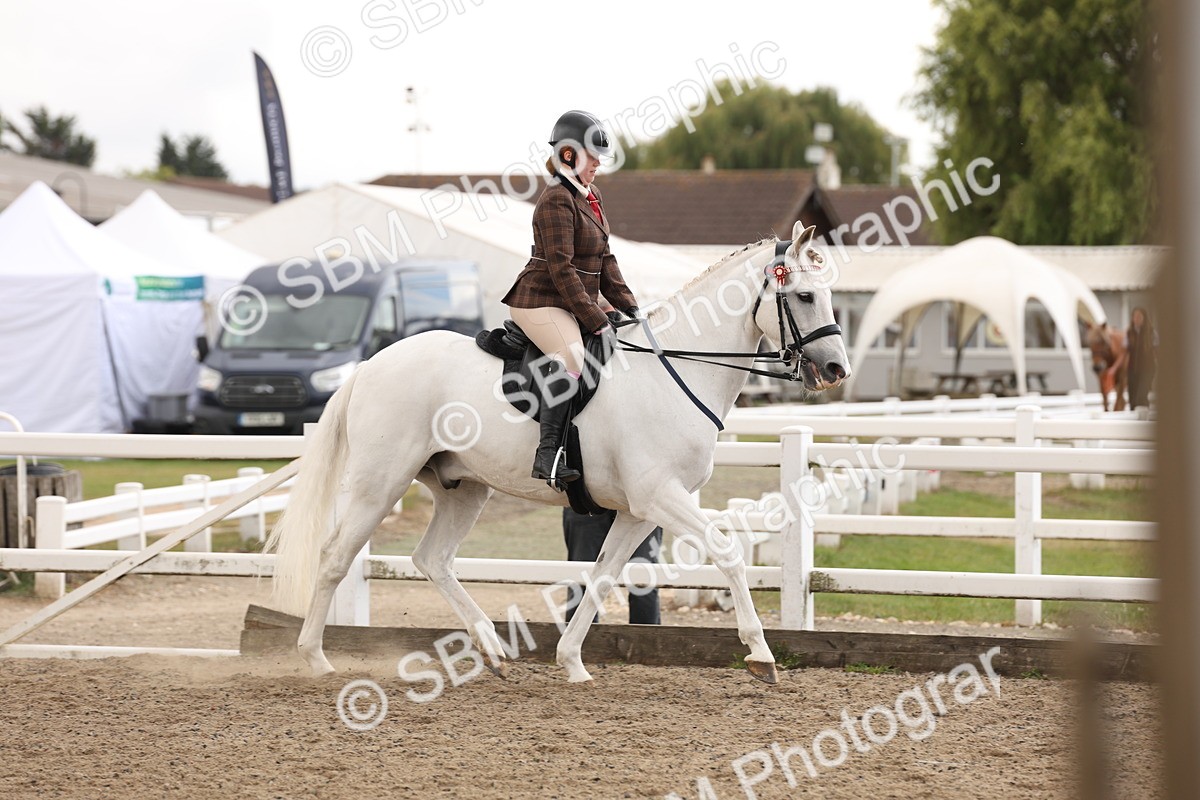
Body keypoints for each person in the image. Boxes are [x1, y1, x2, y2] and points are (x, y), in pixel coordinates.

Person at [501, 110, 641, 485]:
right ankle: (547, 457)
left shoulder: (591, 195)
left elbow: (604, 259)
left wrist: (630, 306)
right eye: (591, 155)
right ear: (568, 155)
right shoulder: (556, 200)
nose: (598, 162)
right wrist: (595, 318)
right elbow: (562, 270)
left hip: (568, 299)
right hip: (540, 300)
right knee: (573, 356)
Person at [562, 508, 662, 625]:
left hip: (641, 506)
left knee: (643, 582)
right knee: (582, 581)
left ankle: (647, 641)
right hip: (586, 501)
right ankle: (581, 642)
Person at [1126, 306, 1157, 409]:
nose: (1136, 319)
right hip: (1132, 370)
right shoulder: (1129, 333)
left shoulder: (1151, 333)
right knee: (1133, 399)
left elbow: (1157, 352)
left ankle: (1144, 420)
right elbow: (1124, 354)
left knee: (1141, 396)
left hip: (1147, 369)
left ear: (1144, 318)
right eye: (1134, 316)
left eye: (1139, 316)